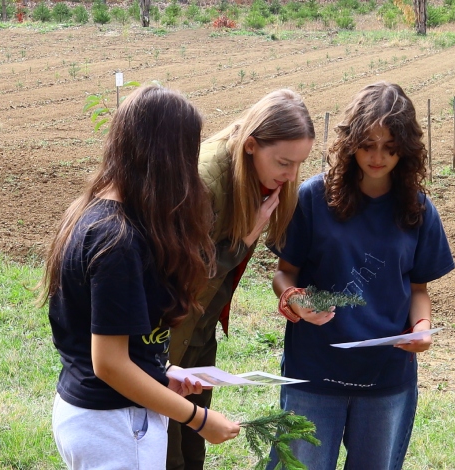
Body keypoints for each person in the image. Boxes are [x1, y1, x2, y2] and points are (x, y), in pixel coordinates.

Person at [44, 85, 241, 469]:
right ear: (168, 157)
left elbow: (108, 339)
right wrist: (198, 419)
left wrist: (161, 371)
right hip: (116, 426)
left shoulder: (93, 212)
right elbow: (110, 364)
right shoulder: (118, 243)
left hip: (90, 414)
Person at [266, 82, 455, 470]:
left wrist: (422, 326)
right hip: (313, 374)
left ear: (406, 148)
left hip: (386, 378)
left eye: (390, 147)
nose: (377, 157)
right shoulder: (313, 197)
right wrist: (295, 299)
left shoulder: (418, 209)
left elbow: (418, 289)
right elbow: (284, 274)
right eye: (368, 144)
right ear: (350, 141)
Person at [166, 89, 315, 470]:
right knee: (167, 447)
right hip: (171, 333)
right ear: (251, 145)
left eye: (300, 164)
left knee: (189, 445)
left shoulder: (260, 175)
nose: (292, 175)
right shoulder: (206, 183)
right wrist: (242, 242)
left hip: (199, 327)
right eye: (284, 162)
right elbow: (178, 276)